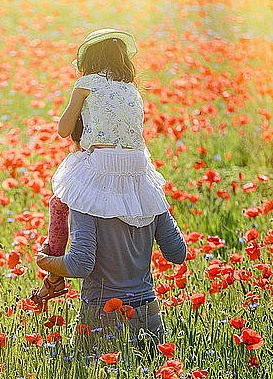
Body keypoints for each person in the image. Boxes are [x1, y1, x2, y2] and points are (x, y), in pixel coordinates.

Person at [31, 28, 171, 308]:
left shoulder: (86, 83)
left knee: (60, 204)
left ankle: (54, 278)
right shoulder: (132, 90)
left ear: (88, 60)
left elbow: (62, 130)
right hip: (137, 168)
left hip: (100, 164)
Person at [35, 208, 187, 354]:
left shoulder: (86, 199)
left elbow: (80, 265)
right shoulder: (149, 194)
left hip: (103, 321)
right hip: (149, 317)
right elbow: (178, 254)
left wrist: (44, 261)